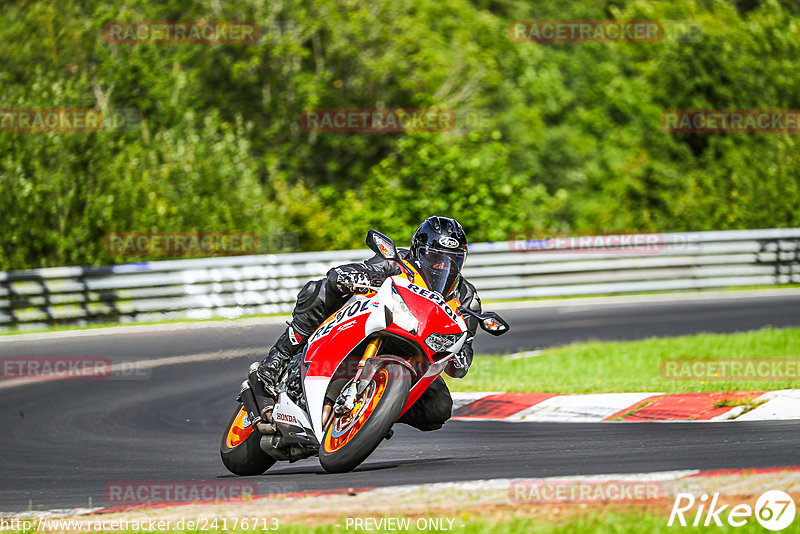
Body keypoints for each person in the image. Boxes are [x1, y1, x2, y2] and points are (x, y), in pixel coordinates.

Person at [255, 216, 482, 431]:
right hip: (375, 327)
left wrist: (458, 355)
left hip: (417, 357)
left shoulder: (467, 298)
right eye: (435, 258)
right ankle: (275, 362)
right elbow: (354, 272)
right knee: (319, 290)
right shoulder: (398, 262)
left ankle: (373, 414)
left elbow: (463, 357)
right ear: (418, 252)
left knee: (438, 409)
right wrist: (352, 276)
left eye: (452, 260)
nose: (442, 266)